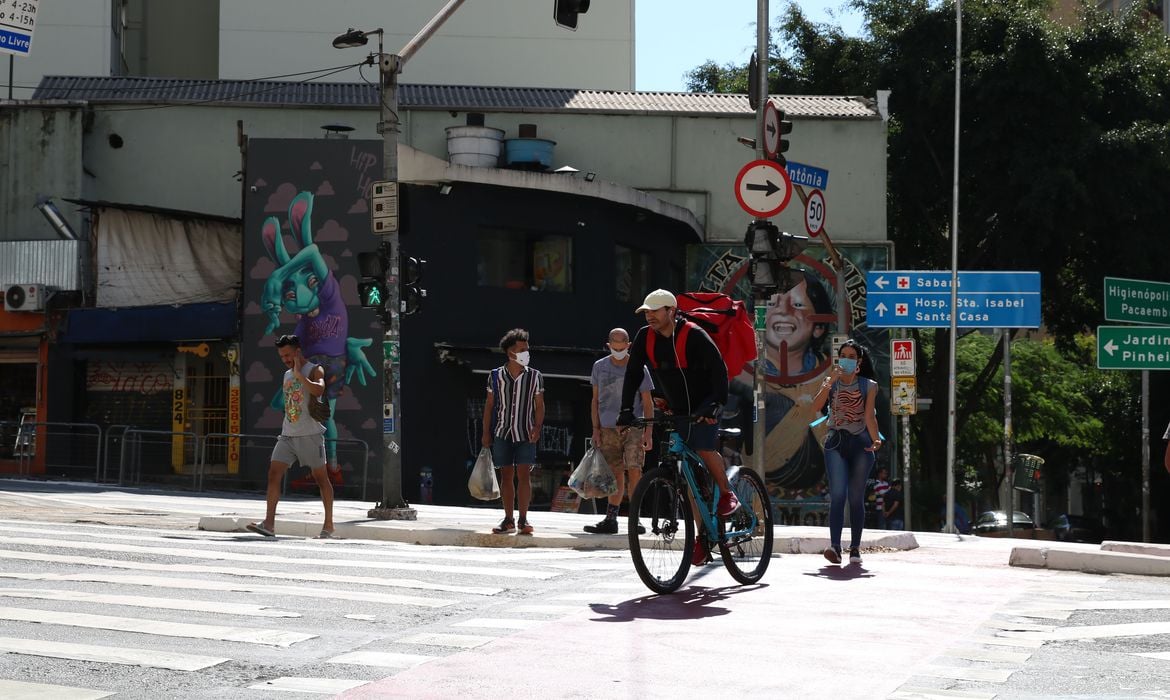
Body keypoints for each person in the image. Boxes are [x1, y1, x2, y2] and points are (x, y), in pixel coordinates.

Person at [617, 289, 739, 567]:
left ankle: (727, 493)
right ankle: (703, 539)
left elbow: (719, 370)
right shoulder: (644, 338)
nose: (649, 316)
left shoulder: (694, 334)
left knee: (703, 447)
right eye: (646, 311)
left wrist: (716, 405)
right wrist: (625, 410)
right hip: (678, 407)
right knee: (689, 481)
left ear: (671, 311)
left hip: (707, 403)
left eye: (655, 310)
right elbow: (633, 374)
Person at [248, 334, 335, 539]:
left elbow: (319, 389)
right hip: (288, 434)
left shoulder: (314, 369)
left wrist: (299, 376)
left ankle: (328, 526)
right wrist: (293, 374)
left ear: (297, 351)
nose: (285, 359)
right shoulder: (287, 374)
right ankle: (268, 524)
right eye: (281, 356)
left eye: (287, 354)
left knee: (321, 479)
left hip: (310, 435)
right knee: (273, 473)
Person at [810, 338, 882, 565]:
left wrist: (876, 439)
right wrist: (829, 381)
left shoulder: (869, 385)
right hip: (835, 443)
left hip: (861, 444)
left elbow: (869, 416)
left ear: (859, 361)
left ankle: (855, 548)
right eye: (844, 356)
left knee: (855, 497)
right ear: (838, 358)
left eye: (852, 357)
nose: (848, 361)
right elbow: (815, 406)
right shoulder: (831, 382)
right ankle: (834, 546)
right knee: (838, 495)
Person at [584, 328, 655, 534]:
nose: (618, 351)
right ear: (608, 346)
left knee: (635, 470)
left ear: (629, 345)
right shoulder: (599, 366)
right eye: (614, 348)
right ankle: (611, 518)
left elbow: (647, 401)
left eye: (621, 348)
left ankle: (635, 519)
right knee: (614, 472)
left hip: (633, 427)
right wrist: (595, 429)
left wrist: (648, 431)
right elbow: (595, 400)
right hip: (607, 427)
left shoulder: (638, 367)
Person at [482, 328, 545, 535]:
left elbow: (540, 405)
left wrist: (537, 427)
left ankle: (524, 519)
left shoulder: (535, 376)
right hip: (502, 432)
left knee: (524, 475)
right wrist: (486, 433)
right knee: (506, 476)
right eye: (522, 349)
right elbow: (489, 406)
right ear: (511, 353)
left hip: (526, 433)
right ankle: (508, 519)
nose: (527, 353)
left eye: (527, 349)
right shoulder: (495, 376)